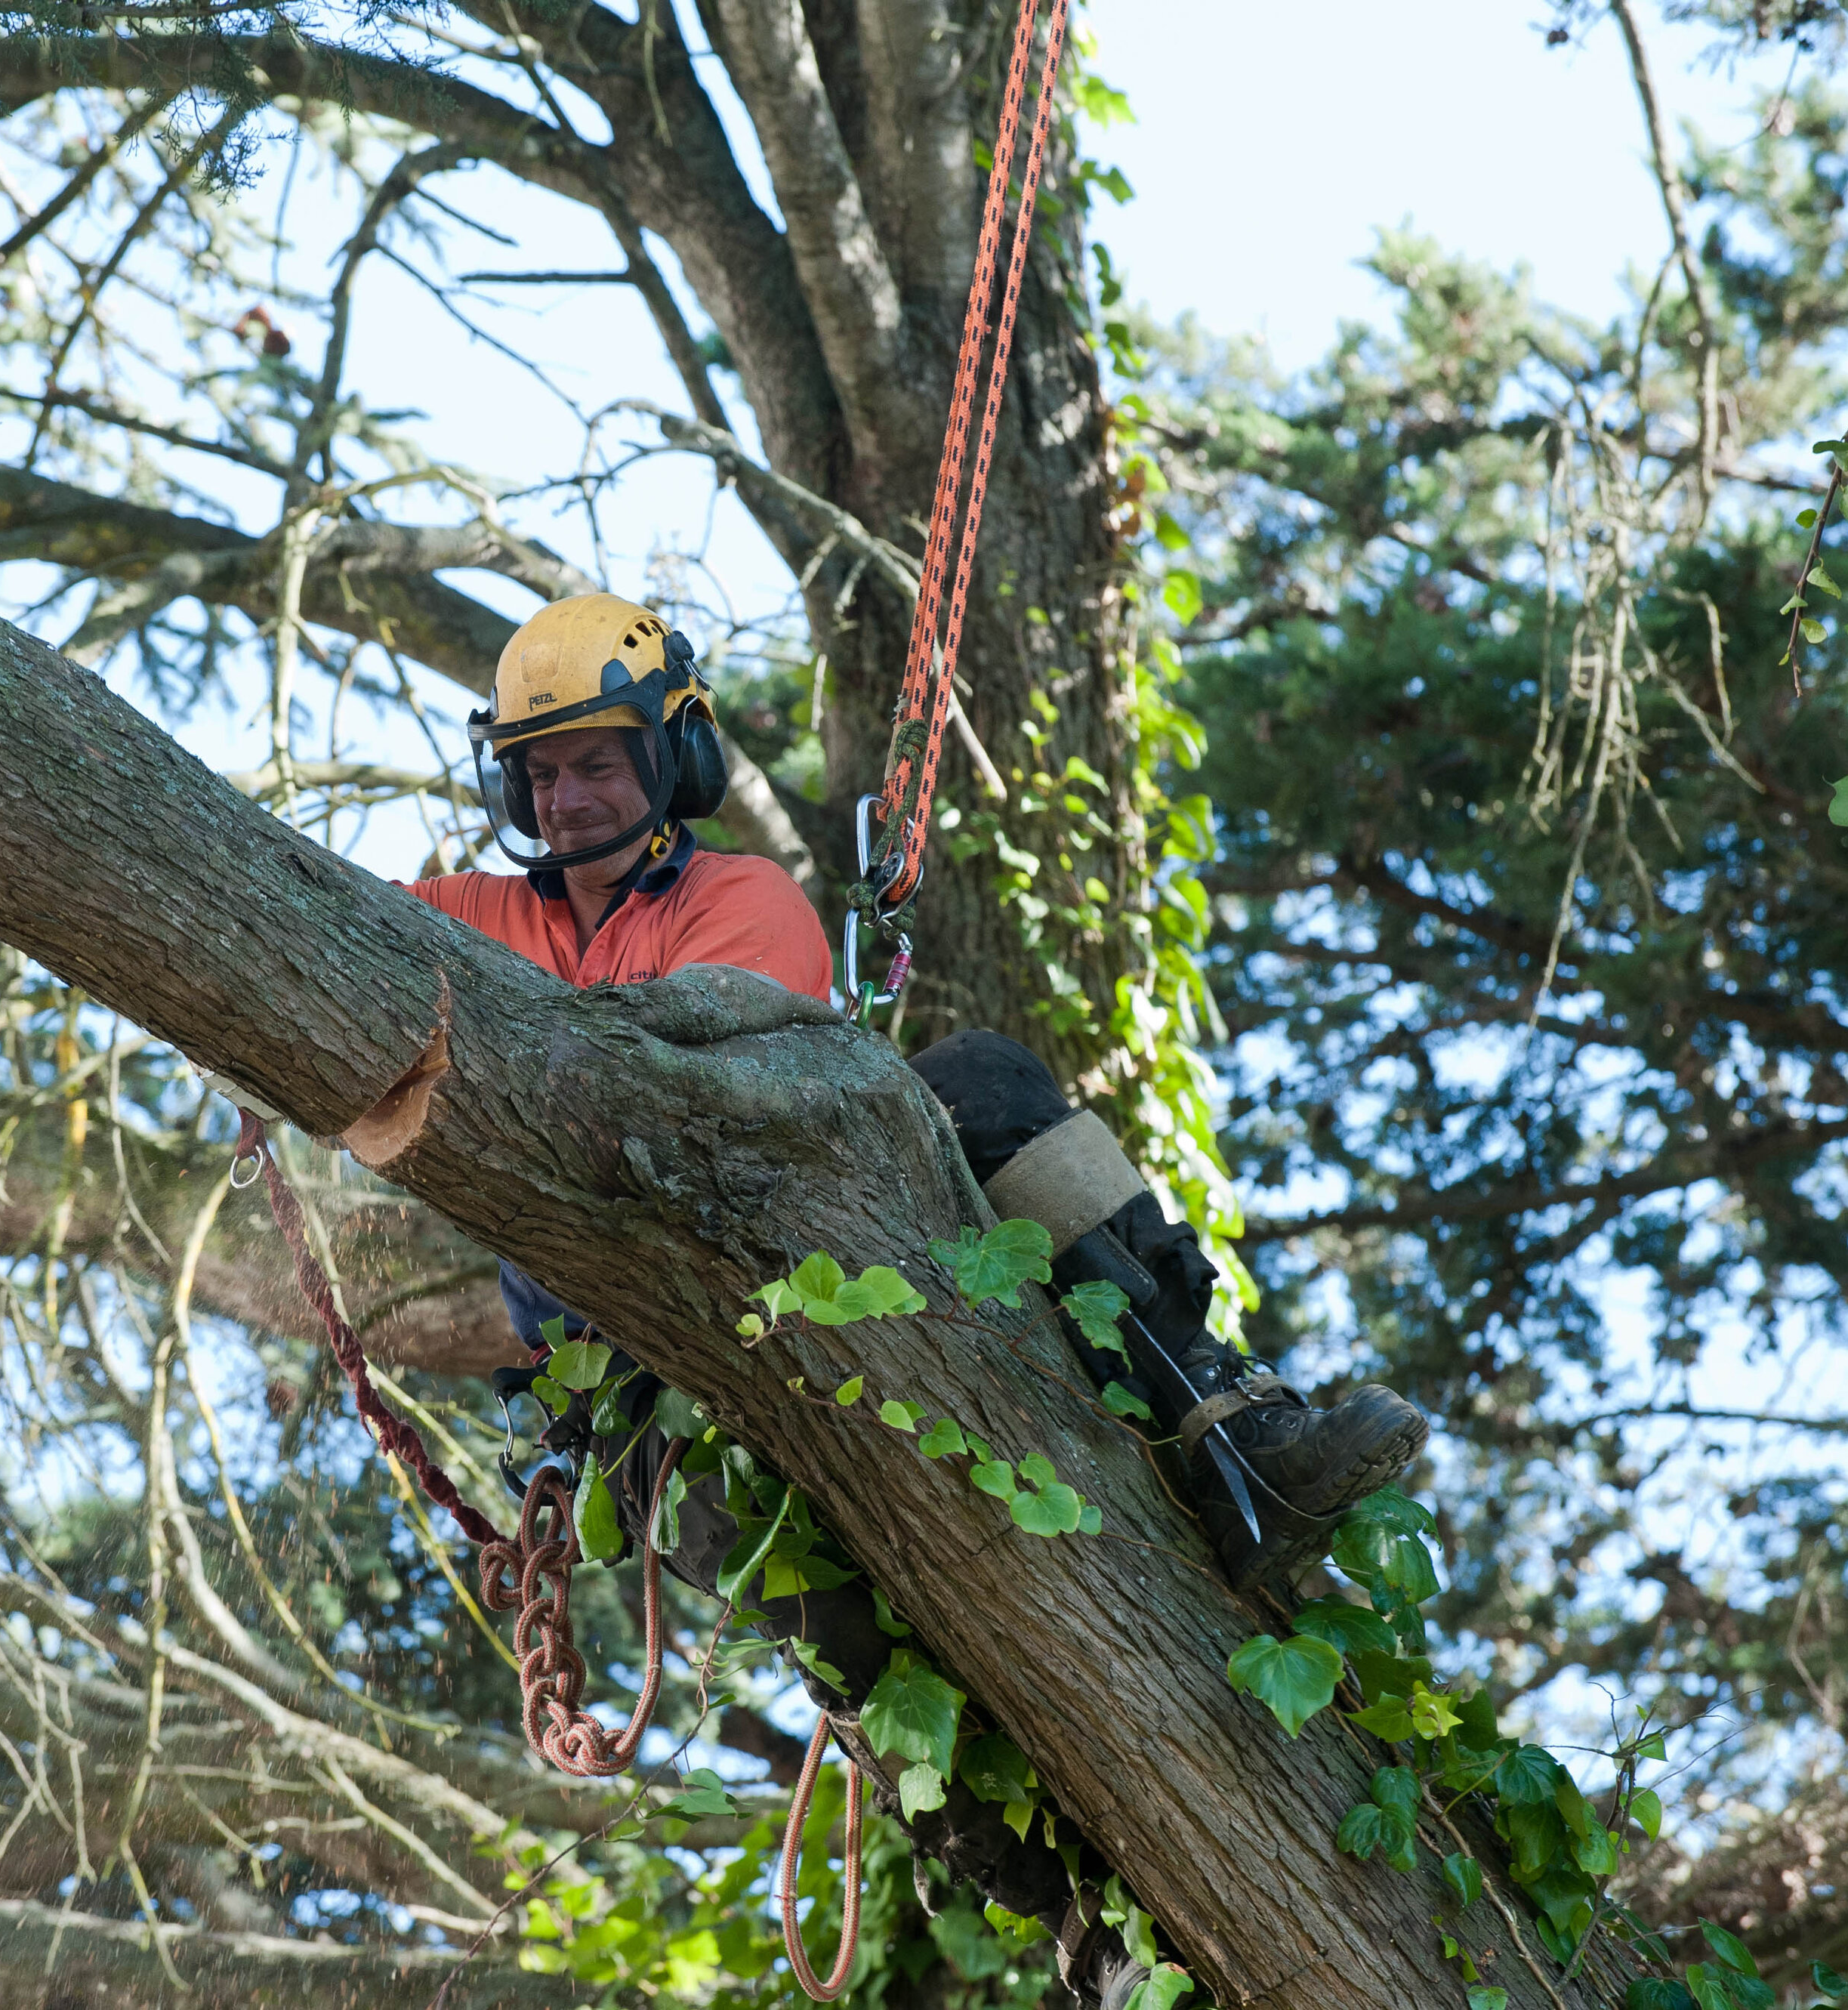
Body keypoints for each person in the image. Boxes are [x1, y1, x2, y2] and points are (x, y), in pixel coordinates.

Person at [415, 593, 1428, 1990]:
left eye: (597, 760)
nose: (567, 795)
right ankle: (1077, 1915)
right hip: (641, 1377)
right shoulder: (466, 917)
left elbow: (706, 1111)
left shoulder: (739, 902)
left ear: (672, 762)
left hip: (801, 1283)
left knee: (989, 1083)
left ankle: (1219, 1424)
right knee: (863, 1656)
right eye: (540, 770)